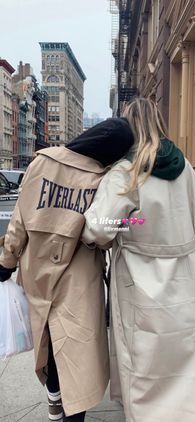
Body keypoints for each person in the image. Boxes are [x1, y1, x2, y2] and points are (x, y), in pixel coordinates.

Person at [82, 98, 195, 422]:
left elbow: (96, 228)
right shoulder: (185, 166)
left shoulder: (126, 171)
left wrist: (130, 224)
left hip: (142, 282)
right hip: (187, 277)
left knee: (147, 370)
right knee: (183, 363)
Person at [0, 117, 134, 422]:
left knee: (48, 344)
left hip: (38, 273)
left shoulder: (41, 164)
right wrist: (130, 224)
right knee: (77, 352)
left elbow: (19, 222)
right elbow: (106, 230)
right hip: (79, 278)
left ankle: (54, 398)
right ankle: (72, 412)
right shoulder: (104, 178)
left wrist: (6, 262)